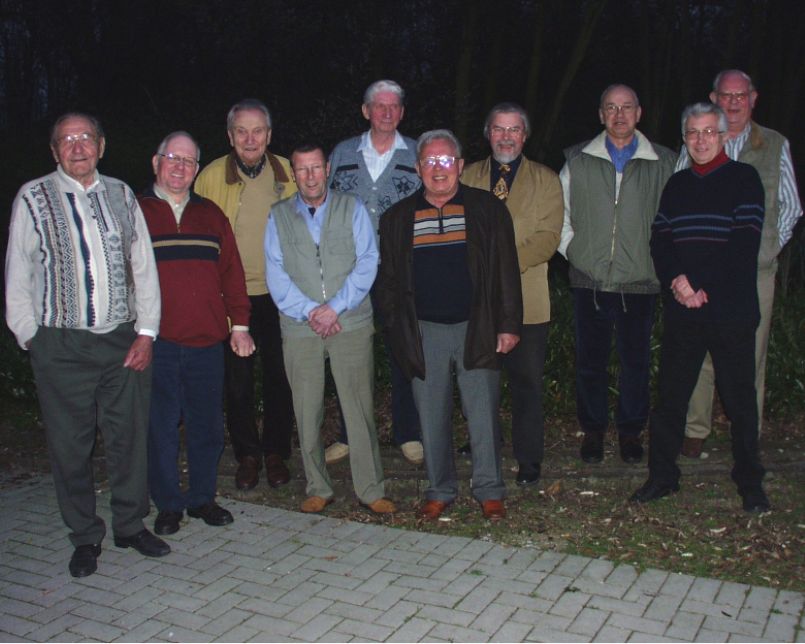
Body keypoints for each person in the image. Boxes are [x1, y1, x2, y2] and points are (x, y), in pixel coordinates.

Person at [5, 112, 169, 578]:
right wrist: (31, 337)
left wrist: (147, 331)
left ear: (101, 145)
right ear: (54, 151)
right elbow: (18, 271)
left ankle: (130, 525)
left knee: (128, 438)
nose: (77, 147)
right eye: (67, 140)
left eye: (85, 138)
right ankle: (83, 535)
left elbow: (143, 265)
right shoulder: (33, 197)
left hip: (122, 341)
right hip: (61, 344)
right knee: (70, 447)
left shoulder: (121, 195)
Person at [376, 129, 522, 521]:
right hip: (424, 332)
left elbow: (507, 270)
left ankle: (489, 489)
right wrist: (397, 329)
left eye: (445, 160)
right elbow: (387, 283)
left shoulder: (487, 209)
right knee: (431, 415)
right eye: (429, 161)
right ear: (418, 168)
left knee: (483, 413)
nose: (438, 169)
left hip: (478, 327)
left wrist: (508, 324)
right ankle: (439, 489)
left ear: (459, 165)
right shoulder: (397, 218)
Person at [631, 103, 769, 512]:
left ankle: (750, 482)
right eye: (693, 132)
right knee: (671, 400)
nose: (701, 140)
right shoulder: (677, 185)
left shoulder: (745, 179)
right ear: (684, 138)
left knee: (740, 401)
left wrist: (698, 285)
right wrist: (678, 281)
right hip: (683, 311)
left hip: (731, 310)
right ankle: (662, 477)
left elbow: (744, 244)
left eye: (709, 132)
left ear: (723, 136)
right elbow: (660, 239)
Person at [265, 143, 396, 516]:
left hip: (350, 320)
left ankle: (370, 489)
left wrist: (334, 307)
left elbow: (368, 259)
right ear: (294, 174)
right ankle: (318, 487)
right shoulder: (278, 216)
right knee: (306, 410)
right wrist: (312, 311)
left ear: (327, 169)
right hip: (300, 326)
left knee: (359, 407)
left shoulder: (351, 208)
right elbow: (276, 272)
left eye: (316, 168)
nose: (310, 176)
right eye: (302, 169)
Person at [678, 70, 803, 458]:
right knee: (700, 351)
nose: (733, 103)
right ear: (713, 97)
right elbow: (676, 196)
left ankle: (748, 433)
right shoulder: (697, 139)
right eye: (726, 95)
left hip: (754, 274)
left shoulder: (774, 144)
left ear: (753, 98)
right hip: (701, 270)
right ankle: (694, 430)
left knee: (750, 355)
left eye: (741, 95)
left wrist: (765, 250)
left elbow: (790, 206)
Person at [139, 131, 253, 536]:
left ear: (196, 169)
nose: (180, 167)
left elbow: (232, 273)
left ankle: (203, 497)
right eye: (173, 158)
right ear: (157, 162)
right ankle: (168, 504)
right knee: (161, 428)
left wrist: (240, 325)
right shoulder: (135, 212)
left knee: (207, 427)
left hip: (207, 342)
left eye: (188, 161)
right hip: (157, 342)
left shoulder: (211, 215)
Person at [558, 84, 676, 464]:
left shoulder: (665, 162)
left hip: (639, 281)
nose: (619, 114)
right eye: (611, 107)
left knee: (635, 363)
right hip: (590, 280)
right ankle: (593, 432)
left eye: (626, 107)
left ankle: (630, 432)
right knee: (590, 363)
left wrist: (661, 262)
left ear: (639, 113)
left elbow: (675, 220)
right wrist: (574, 251)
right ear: (601, 114)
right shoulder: (578, 159)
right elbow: (559, 214)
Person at [195, 99, 296, 491]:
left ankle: (276, 452)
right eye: (241, 131)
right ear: (230, 136)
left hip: (280, 294)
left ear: (269, 135)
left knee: (279, 377)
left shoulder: (289, 172)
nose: (250, 139)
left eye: (257, 131)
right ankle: (248, 455)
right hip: (232, 297)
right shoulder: (209, 177)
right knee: (237, 383)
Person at [462, 102, 562, 486]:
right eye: (499, 129)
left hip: (527, 300)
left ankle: (529, 457)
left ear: (525, 135)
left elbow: (548, 238)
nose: (506, 137)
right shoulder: (466, 176)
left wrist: (499, 265)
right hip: (476, 300)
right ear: (488, 134)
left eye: (514, 130)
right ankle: (483, 443)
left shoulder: (546, 180)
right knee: (479, 381)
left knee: (526, 383)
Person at [327, 80, 423, 465]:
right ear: (366, 111)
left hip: (401, 272)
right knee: (350, 355)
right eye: (379, 106)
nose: (386, 112)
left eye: (393, 106)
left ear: (402, 112)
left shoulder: (417, 152)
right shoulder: (342, 152)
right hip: (351, 272)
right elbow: (325, 204)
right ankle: (350, 433)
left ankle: (408, 432)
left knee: (404, 350)